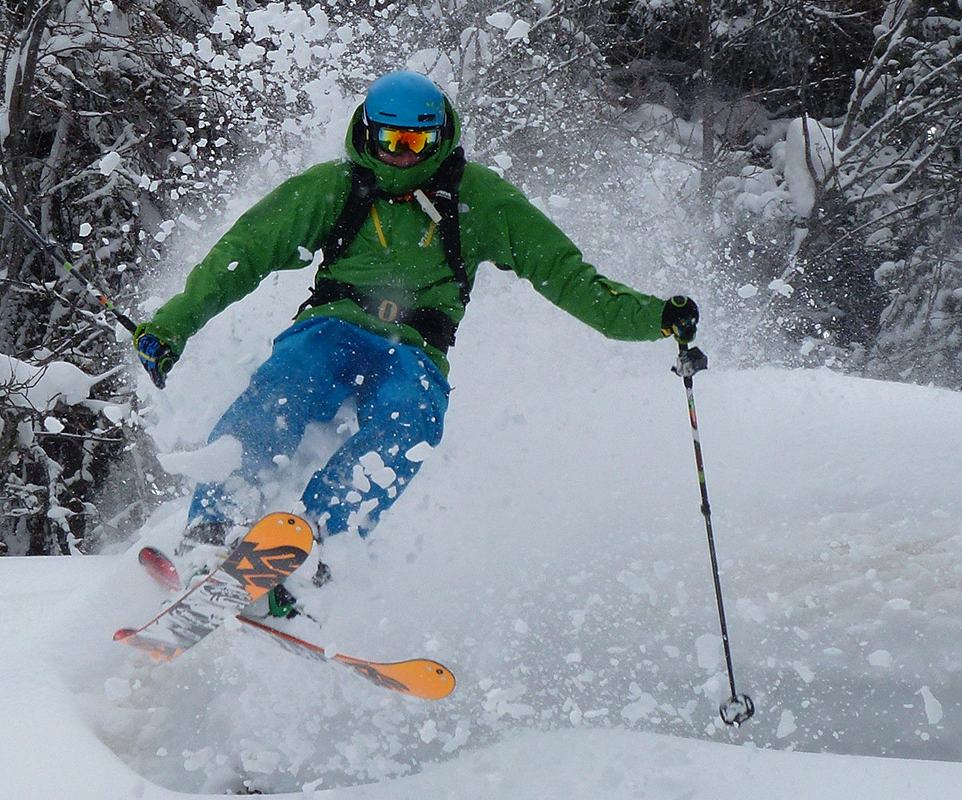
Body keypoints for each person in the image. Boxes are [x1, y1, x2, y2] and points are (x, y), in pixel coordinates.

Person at [132, 71, 698, 618]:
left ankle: (314, 547)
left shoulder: (479, 200)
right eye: (391, 139)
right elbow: (241, 255)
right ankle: (213, 529)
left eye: (417, 140)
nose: (402, 153)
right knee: (287, 379)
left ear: (440, 135)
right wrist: (171, 327)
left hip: (414, 349)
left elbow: (569, 276)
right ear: (368, 133)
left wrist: (654, 318)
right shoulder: (336, 187)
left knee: (412, 419)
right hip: (332, 329)